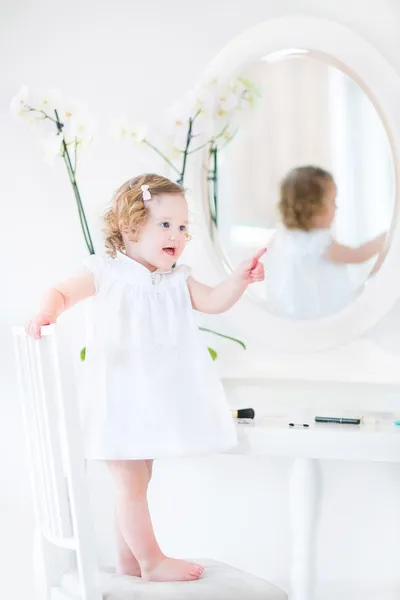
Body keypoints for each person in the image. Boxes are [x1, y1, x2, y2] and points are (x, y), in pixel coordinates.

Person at [28, 173, 266, 582]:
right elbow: (64, 292)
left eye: (182, 226)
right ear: (130, 227)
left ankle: (129, 563)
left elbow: (212, 301)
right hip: (115, 398)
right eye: (166, 224)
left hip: (148, 404)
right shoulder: (106, 272)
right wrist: (47, 312)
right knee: (131, 481)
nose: (177, 233)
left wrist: (239, 279)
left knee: (138, 482)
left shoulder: (176, 280)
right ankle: (151, 560)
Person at [265, 165, 387, 319]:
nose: (336, 207)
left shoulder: (283, 236)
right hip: (327, 313)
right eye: (332, 202)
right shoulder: (319, 243)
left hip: (295, 312)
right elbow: (358, 255)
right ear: (312, 209)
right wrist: (384, 239)